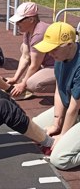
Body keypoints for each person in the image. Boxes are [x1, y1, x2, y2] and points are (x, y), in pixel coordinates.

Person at [32, 22, 80, 170]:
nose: (50, 53)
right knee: (34, 128)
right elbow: (59, 90)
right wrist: (56, 122)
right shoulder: (60, 58)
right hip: (72, 109)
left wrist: (63, 135)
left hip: (76, 108)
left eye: (54, 48)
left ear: (69, 44)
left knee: (60, 159)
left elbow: (74, 106)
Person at [7, 2, 55, 99]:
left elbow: (34, 65)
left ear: (31, 19)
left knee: (32, 84)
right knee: (24, 47)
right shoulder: (28, 31)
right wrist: (15, 78)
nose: (16, 24)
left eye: (19, 21)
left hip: (61, 65)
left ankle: (69, 86)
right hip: (49, 62)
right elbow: (25, 57)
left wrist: (23, 84)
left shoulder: (38, 34)